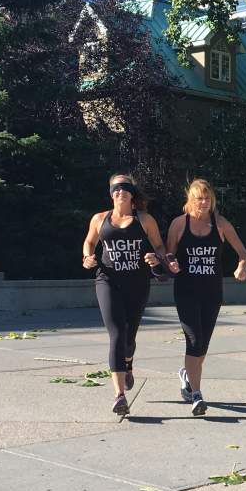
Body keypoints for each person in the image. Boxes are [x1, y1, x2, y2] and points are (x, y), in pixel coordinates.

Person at [82, 174, 169, 417]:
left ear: (132, 193)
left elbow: (160, 246)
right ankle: (119, 395)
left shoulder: (144, 220)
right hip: (107, 280)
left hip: (138, 283)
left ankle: (128, 362)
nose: (120, 192)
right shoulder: (100, 219)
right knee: (117, 335)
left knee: (129, 337)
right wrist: (87, 258)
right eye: (116, 188)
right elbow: (89, 243)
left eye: (125, 188)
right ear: (111, 193)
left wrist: (156, 257)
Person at [164, 179, 246, 415]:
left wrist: (241, 267)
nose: (204, 202)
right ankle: (197, 395)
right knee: (194, 340)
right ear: (190, 201)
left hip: (212, 293)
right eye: (199, 198)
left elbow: (243, 253)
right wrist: (170, 262)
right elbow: (168, 252)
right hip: (186, 292)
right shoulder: (179, 224)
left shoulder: (220, 224)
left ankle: (186, 375)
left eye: (207, 198)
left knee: (202, 345)